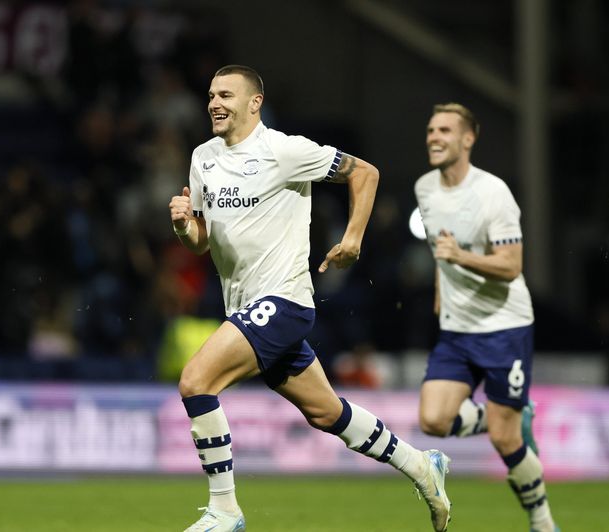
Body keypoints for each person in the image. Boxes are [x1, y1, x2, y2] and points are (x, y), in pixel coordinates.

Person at [169, 65, 452, 532]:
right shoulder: (204, 157)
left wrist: (353, 237)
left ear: (255, 103)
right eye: (212, 95)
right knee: (326, 412)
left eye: (226, 95)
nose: (214, 103)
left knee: (196, 381)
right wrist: (184, 225)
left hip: (284, 301)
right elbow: (202, 240)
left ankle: (225, 510)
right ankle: (422, 466)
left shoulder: (284, 150)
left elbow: (365, 173)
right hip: (244, 308)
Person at [414, 103, 558, 532]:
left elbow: (511, 265)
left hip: (504, 328)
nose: (433, 137)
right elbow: (440, 249)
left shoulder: (494, 192)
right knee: (433, 420)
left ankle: (543, 521)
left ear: (468, 139)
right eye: (430, 130)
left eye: (444, 130)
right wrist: (442, 289)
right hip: (456, 329)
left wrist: (461, 256)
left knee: (505, 439)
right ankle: (508, 414)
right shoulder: (424, 187)